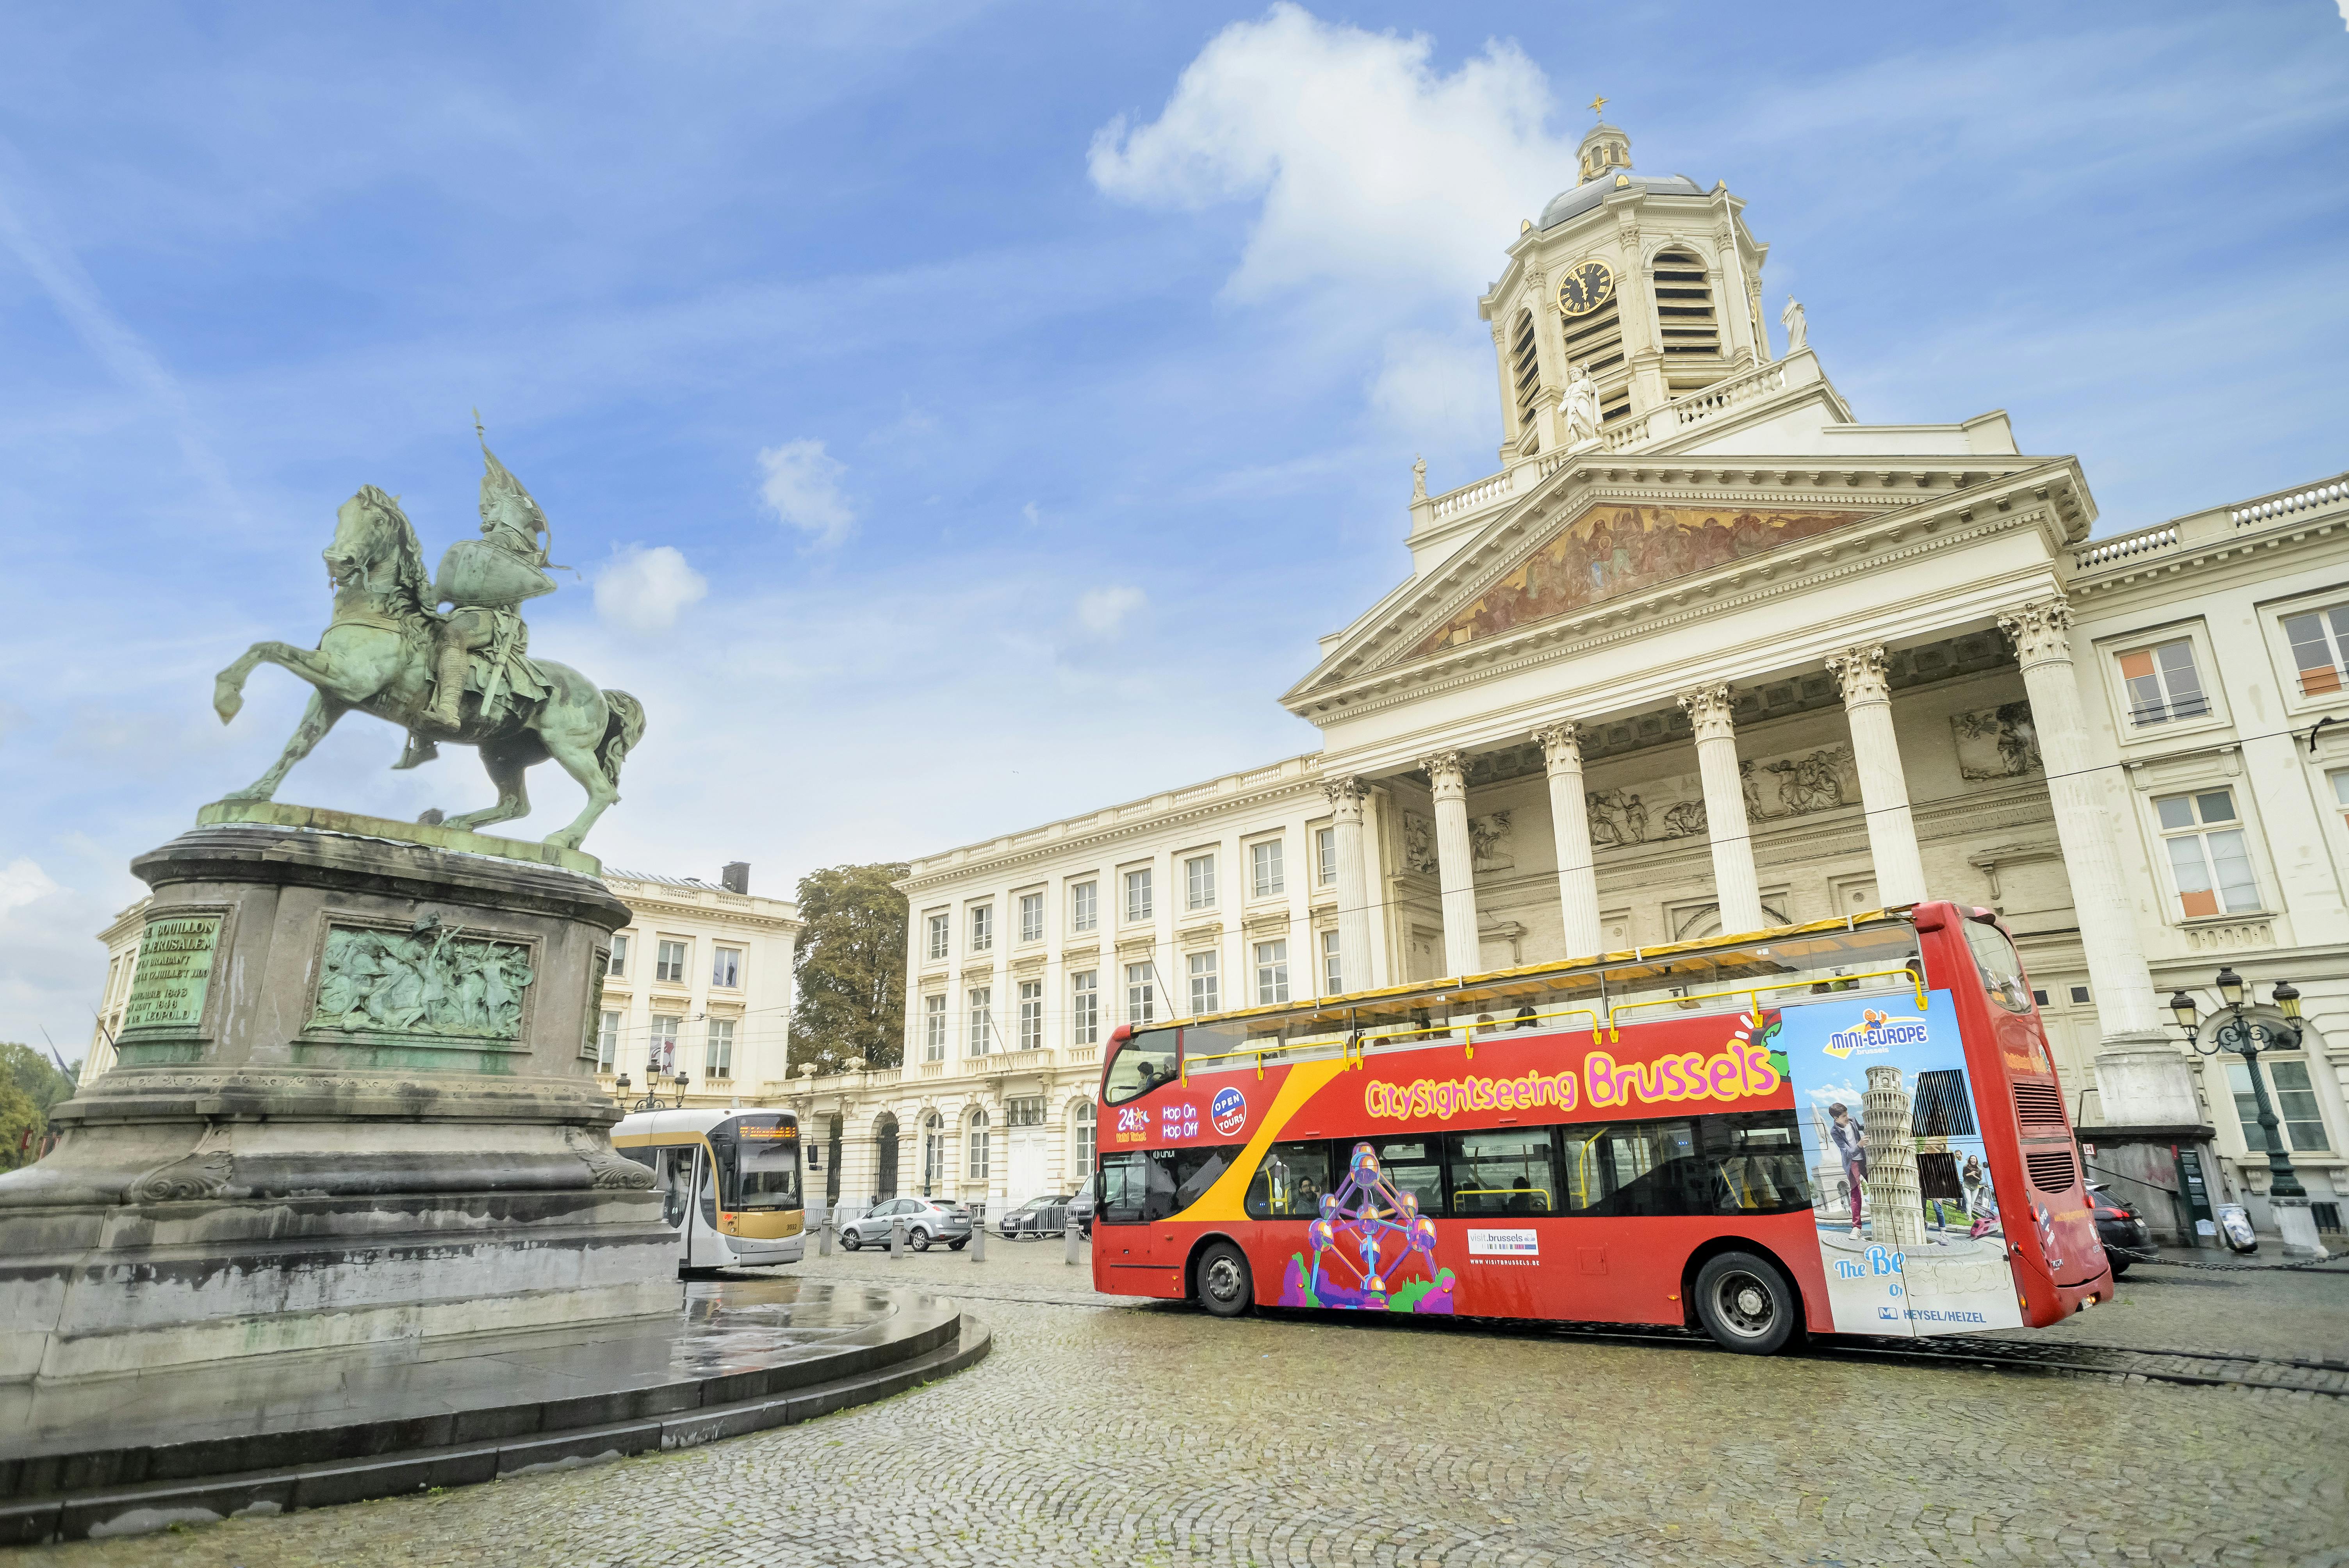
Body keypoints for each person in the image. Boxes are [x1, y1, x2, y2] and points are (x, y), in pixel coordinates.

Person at [1827, 1102, 1868, 1236]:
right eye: (1844, 1116)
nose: (1847, 1117)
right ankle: (1857, 1228)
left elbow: (1861, 1127)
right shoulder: (1834, 1132)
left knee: (1878, 1185)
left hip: (1866, 1159)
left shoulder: (1852, 1120)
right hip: (1852, 1163)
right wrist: (1860, 1145)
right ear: (1836, 1118)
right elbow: (1847, 1153)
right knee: (1856, 1193)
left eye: (1847, 1114)